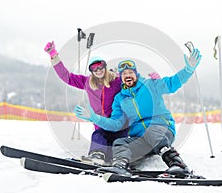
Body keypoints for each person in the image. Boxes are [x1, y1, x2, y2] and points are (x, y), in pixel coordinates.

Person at [74, 47, 202, 177]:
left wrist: (188, 70)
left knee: (152, 131)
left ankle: (178, 164)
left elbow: (172, 83)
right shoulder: (120, 99)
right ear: (121, 77)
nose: (127, 75)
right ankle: (120, 166)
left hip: (162, 131)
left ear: (136, 74)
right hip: (142, 140)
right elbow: (116, 124)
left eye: (130, 72)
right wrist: (94, 118)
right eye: (124, 74)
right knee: (120, 142)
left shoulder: (151, 85)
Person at [44, 41, 160, 165]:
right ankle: (96, 156)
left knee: (118, 143)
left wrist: (154, 82)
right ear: (91, 71)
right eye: (94, 68)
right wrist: (53, 56)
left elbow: (132, 81)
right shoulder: (87, 82)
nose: (98, 70)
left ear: (105, 66)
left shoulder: (116, 80)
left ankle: (120, 160)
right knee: (98, 136)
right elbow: (66, 77)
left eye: (100, 66)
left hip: (120, 124)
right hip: (101, 125)